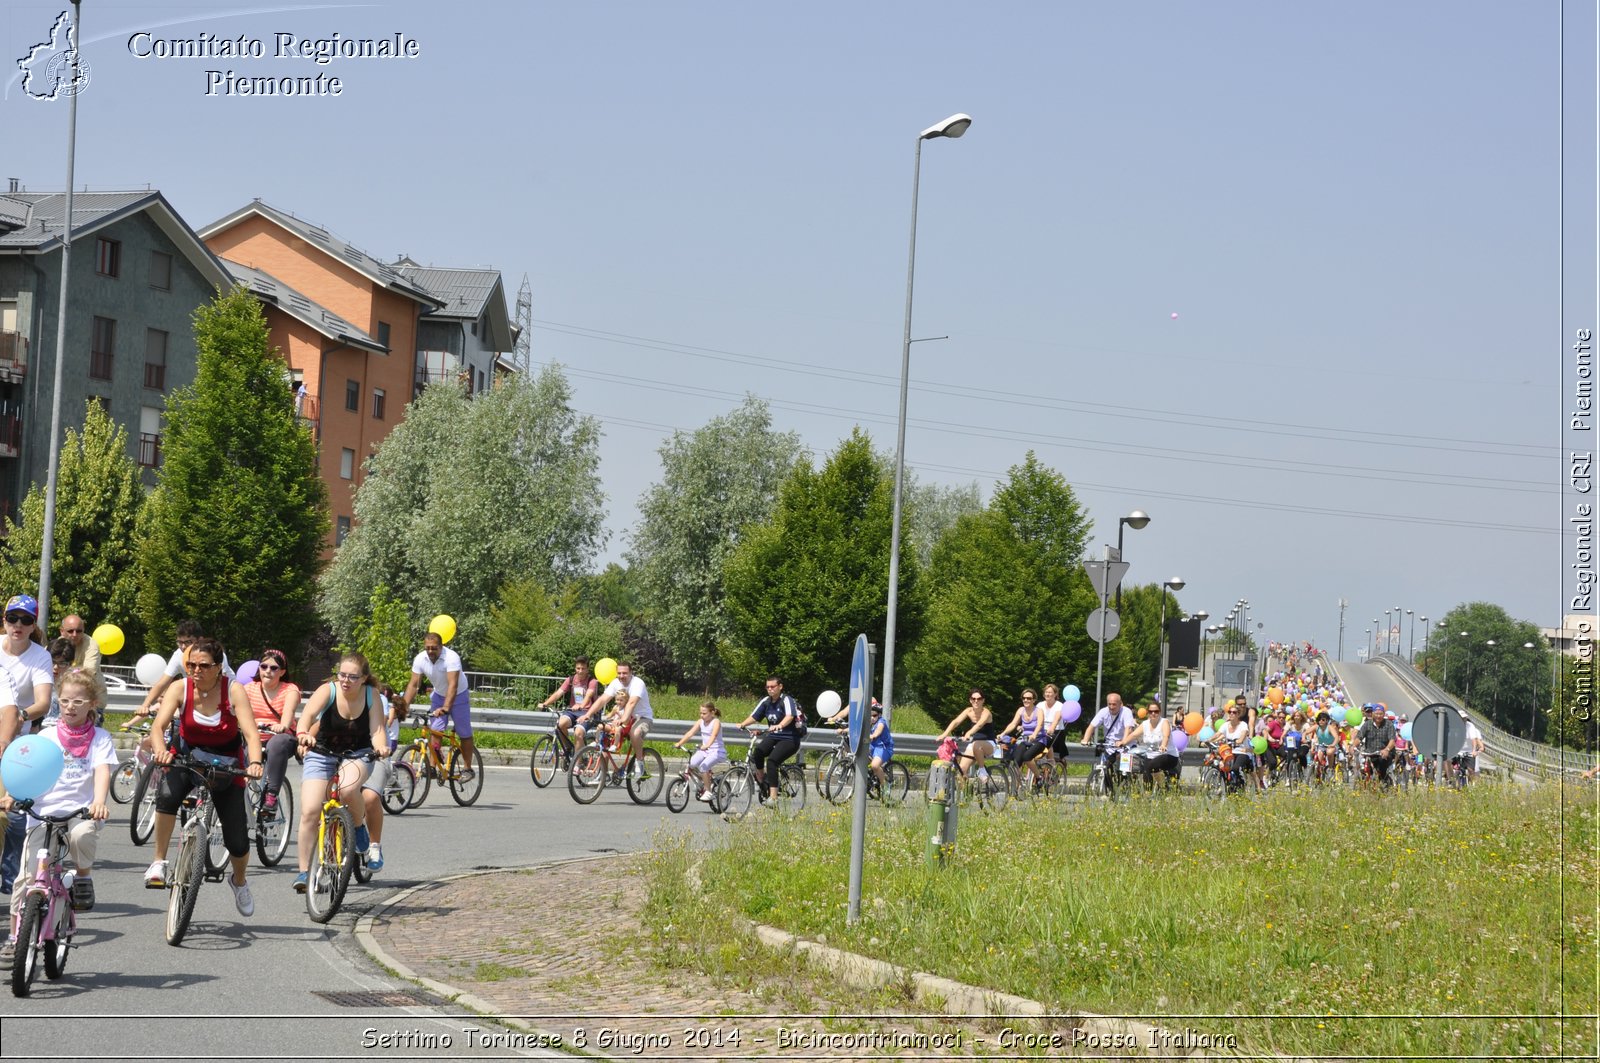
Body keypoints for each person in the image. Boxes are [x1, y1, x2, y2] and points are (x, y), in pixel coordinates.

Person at [0, 668, 117, 960]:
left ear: (92, 703)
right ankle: (15, 937)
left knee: (81, 834)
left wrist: (99, 802)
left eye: (78, 702)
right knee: (26, 879)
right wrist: (13, 793)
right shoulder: (47, 735)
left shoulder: (100, 738)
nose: (70, 707)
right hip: (44, 813)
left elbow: (102, 771)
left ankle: (83, 877)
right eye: (64, 701)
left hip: (80, 811)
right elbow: (28, 767)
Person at [143, 637, 264, 918]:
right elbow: (159, 726)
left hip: (227, 761)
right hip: (187, 755)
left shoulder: (233, 691)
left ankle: (240, 881)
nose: (195, 671)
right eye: (191, 665)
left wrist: (256, 762)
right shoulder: (180, 688)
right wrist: (161, 751)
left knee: (237, 840)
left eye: (203, 666)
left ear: (219, 667)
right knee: (167, 796)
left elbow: (250, 733)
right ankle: (159, 861)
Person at [293, 653, 390, 891]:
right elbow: (306, 717)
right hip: (322, 752)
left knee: (347, 789)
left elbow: (377, 729)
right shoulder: (328, 690)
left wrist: (380, 747)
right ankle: (304, 873)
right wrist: (303, 733)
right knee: (310, 811)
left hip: (358, 754)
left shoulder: (371, 695)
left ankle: (358, 830)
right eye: (342, 675)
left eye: (353, 677)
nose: (346, 681)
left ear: (364, 678)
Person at [0, 595, 54, 895]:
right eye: (12, 618)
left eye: (25, 620)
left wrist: (19, 716)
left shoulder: (39, 656)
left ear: (34, 625)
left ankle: (10, 879)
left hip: (17, 737)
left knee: (12, 814)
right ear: (4, 620)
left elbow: (43, 702)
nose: (17, 626)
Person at [401, 632, 476, 783]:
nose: (430, 651)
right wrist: (402, 706)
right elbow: (414, 685)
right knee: (436, 730)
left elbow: (453, 685)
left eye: (434, 648)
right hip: (439, 694)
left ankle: (468, 768)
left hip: (458, 695)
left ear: (441, 647)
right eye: (427, 648)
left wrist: (446, 707)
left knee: (464, 732)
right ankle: (433, 767)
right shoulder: (420, 659)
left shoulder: (451, 657)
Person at [241, 648, 302, 817]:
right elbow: (238, 711)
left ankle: (271, 795)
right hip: (254, 738)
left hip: (279, 738)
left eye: (274, 668)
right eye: (264, 666)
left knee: (277, 743)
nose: (268, 671)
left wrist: (282, 725)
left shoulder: (290, 690)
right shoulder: (249, 689)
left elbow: (288, 715)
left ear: (282, 672)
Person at [134, 620, 234, 718]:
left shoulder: (213, 653)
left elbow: (222, 681)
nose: (183, 647)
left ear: (200, 640)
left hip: (227, 695)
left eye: (188, 642)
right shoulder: (178, 656)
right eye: (179, 642)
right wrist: (145, 705)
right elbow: (162, 683)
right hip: (200, 694)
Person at [736, 676, 801, 803]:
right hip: (773, 736)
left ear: (780, 687)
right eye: (768, 687)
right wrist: (743, 724)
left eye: (773, 687)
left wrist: (780, 725)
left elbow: (790, 716)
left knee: (772, 761)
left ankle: (773, 797)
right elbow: (755, 716)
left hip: (789, 738)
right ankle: (761, 778)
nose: (770, 689)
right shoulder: (766, 701)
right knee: (758, 753)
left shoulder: (787, 700)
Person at [588, 661, 654, 778]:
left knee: (635, 733)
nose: (621, 676)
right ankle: (603, 774)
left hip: (642, 717)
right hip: (623, 718)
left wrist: (623, 719)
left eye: (625, 673)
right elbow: (603, 699)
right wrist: (588, 714)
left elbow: (632, 703)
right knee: (604, 734)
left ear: (631, 673)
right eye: (619, 673)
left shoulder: (638, 683)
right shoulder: (615, 683)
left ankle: (640, 764)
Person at [540, 656, 600, 763]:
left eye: (583, 669)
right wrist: (545, 703)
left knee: (578, 733)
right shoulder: (571, 680)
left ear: (587, 669)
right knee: (560, 724)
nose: (580, 671)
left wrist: (581, 705)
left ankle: (578, 763)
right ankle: (568, 748)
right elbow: (559, 693)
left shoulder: (592, 681)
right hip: (573, 711)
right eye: (578, 668)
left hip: (588, 712)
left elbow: (588, 695)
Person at [672, 701, 726, 801]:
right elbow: (690, 733)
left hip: (716, 751)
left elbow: (713, 736)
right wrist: (680, 743)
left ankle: (708, 791)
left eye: (704, 713)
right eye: (700, 713)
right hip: (705, 750)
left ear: (712, 712)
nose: (702, 715)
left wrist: (707, 745)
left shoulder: (716, 722)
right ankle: (703, 779)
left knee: (703, 767)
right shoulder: (700, 722)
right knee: (691, 764)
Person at [938, 689, 997, 780]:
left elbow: (979, 725)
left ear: (983, 700)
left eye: (979, 699)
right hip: (974, 744)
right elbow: (956, 721)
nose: (976, 701)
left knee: (977, 744)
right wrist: (944, 734)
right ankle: (965, 792)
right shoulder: (968, 711)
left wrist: (969, 733)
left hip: (989, 743)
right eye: (973, 699)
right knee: (961, 771)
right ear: (970, 700)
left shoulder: (986, 713)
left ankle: (982, 771)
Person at [1117, 701, 1179, 787]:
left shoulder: (1164, 722)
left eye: (1156, 711)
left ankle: (1164, 788)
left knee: (1151, 767)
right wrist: (1123, 742)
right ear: (1147, 713)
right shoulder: (1145, 724)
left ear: (1160, 712)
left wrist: (1164, 745)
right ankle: (1148, 795)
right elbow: (1134, 735)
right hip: (1151, 755)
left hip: (1168, 755)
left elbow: (1166, 736)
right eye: (1150, 712)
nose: (1153, 714)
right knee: (1145, 771)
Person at [999, 689, 1049, 783]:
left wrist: (1034, 734)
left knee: (1027, 757)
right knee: (1016, 762)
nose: (1026, 700)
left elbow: (1040, 725)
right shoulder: (1021, 710)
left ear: (1034, 700)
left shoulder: (1038, 711)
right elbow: (1013, 724)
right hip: (1025, 740)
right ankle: (1016, 788)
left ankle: (1039, 778)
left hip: (1038, 740)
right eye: (1024, 698)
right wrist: (1003, 734)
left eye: (1029, 698)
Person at [1354, 706, 1397, 787]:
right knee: (1363, 766)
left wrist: (1387, 749)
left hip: (1384, 753)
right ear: (1372, 714)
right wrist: (1353, 746)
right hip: (1370, 752)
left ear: (1384, 714)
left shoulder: (1389, 724)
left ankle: (1384, 781)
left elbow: (1392, 740)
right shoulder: (1367, 724)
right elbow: (1359, 737)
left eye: (1381, 714)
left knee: (1382, 762)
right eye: (1376, 714)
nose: (1378, 716)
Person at [865, 703, 894, 792]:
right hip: (873, 748)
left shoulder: (881, 722)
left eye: (874, 715)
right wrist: (844, 730)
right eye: (870, 715)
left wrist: (873, 735)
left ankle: (885, 786)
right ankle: (871, 778)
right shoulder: (869, 722)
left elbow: (879, 730)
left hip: (884, 748)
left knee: (874, 765)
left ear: (879, 715)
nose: (872, 717)